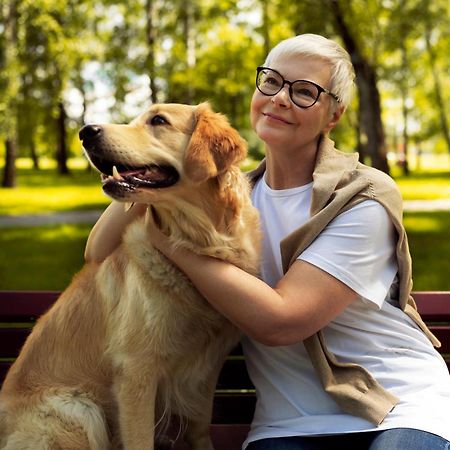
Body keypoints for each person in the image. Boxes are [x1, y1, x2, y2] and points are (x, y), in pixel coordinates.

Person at [85, 34, 450, 450]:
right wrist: (146, 173)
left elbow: (282, 322)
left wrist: (169, 244)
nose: (279, 98)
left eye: (304, 92)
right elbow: (98, 251)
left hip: (397, 406)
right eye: (271, 82)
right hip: (288, 424)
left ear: (334, 115)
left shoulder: (361, 196)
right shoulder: (232, 198)